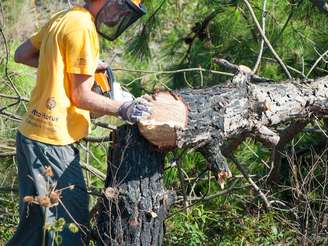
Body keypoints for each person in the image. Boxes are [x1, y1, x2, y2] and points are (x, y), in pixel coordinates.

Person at [7, 0, 149, 245]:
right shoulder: (83, 26)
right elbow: (81, 96)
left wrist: (72, 66)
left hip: (33, 136)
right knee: (69, 232)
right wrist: (124, 108)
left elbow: (22, 54)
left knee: (34, 232)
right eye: (122, 7)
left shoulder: (65, 17)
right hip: (51, 143)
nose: (121, 15)